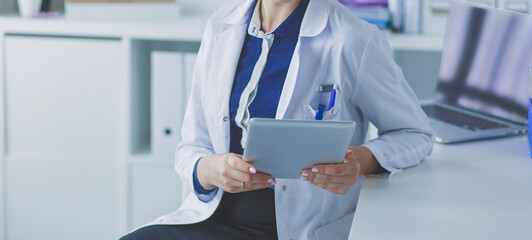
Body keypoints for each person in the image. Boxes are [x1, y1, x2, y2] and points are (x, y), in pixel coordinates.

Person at [121, 0, 433, 239]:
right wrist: (208, 169)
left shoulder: (352, 39)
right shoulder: (221, 26)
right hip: (212, 219)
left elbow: (415, 133)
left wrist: (359, 162)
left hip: (300, 228)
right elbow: (191, 146)